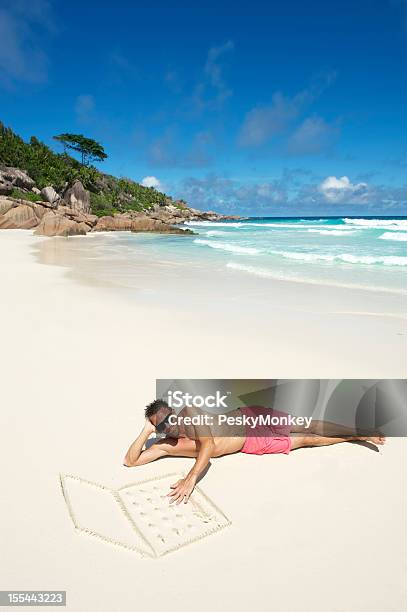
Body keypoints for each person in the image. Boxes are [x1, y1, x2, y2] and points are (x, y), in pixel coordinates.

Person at [123, 399, 385, 504]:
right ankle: (352, 436)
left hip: (248, 417)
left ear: (174, 412)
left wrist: (190, 478)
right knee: (305, 440)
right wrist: (146, 431)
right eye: (163, 426)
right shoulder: (165, 446)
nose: (170, 426)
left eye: (169, 419)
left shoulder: (191, 413)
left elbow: (209, 446)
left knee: (307, 424)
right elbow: (130, 461)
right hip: (251, 442)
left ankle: (358, 429)